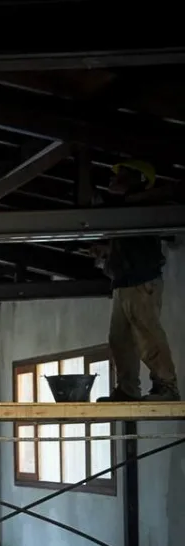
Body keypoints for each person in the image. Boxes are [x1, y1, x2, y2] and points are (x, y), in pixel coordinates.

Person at [93, 160, 179, 402]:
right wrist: (107, 251)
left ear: (139, 180)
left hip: (142, 281)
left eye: (122, 174)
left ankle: (167, 386)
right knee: (120, 340)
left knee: (146, 334)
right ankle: (128, 389)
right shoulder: (123, 211)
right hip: (123, 283)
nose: (113, 179)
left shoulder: (144, 206)